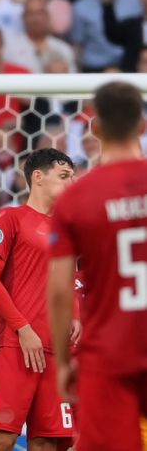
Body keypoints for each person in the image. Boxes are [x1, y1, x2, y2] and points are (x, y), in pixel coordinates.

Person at [49, 81, 147, 451]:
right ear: (142, 125)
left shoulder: (76, 199)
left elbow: (59, 290)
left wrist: (63, 361)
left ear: (96, 127)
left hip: (108, 353)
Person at [0, 148, 78, 451]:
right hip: (16, 343)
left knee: (48, 442)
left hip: (57, 349)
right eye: (64, 176)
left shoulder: (70, 231)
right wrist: (23, 328)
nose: (71, 183)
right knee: (3, 437)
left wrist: (78, 316)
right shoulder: (9, 218)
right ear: (38, 177)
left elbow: (74, 282)